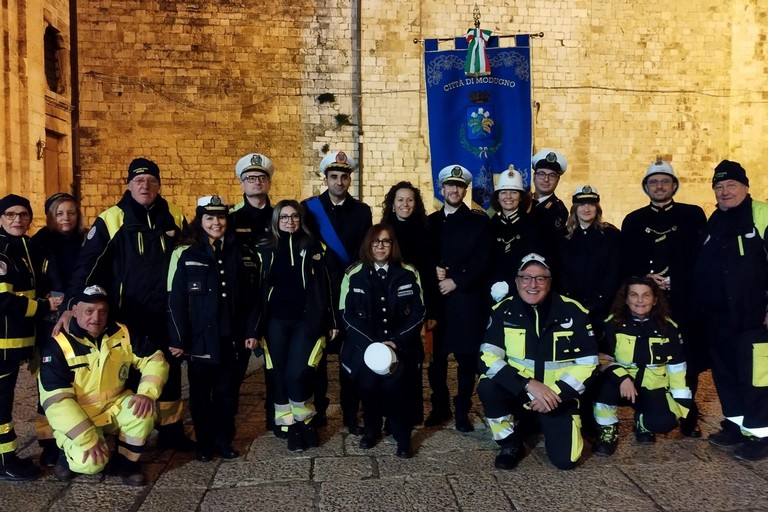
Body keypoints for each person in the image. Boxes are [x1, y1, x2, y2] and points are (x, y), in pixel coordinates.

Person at [59, 158, 194, 451]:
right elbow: (87, 265)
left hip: (166, 312)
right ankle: (131, 430)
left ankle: (171, 430)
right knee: (130, 374)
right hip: (127, 314)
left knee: (169, 370)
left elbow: (188, 260)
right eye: (139, 181)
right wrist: (70, 304)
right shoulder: (112, 219)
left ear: (159, 185)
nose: (145, 186)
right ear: (129, 184)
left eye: (151, 181)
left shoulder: (174, 214)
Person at [477, 253, 598, 470]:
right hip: (520, 391)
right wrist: (528, 384)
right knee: (487, 385)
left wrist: (557, 393)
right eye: (526, 277)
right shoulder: (503, 311)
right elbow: (487, 357)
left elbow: (588, 362)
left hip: (557, 397)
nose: (532, 284)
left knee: (566, 461)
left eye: (540, 278)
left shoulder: (573, 311)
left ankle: (538, 421)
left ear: (549, 283)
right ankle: (509, 442)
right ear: (517, 281)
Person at [39, 285, 168, 485]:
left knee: (144, 411)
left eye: (102, 311)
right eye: (89, 311)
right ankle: (66, 454)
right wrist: (86, 438)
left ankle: (128, 463)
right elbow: (56, 401)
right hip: (79, 414)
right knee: (91, 464)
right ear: (75, 311)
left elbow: (155, 358)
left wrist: (147, 394)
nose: (96, 318)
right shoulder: (58, 344)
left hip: (113, 407)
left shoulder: (122, 332)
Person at [167, 196, 261, 462]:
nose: (216, 222)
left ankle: (223, 439)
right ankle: (204, 443)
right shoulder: (188, 255)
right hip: (200, 340)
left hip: (230, 339)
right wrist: (177, 338)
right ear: (201, 221)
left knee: (227, 393)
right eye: (209, 218)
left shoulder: (241, 254)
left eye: (220, 217)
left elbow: (253, 298)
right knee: (200, 396)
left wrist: (252, 332)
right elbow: (177, 301)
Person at [620, 158, 707, 437]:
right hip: (646, 302)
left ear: (674, 186)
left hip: (682, 299)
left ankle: (687, 414)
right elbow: (626, 262)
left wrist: (676, 280)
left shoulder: (693, 215)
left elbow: (700, 257)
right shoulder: (633, 220)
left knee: (685, 358)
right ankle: (644, 416)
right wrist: (647, 279)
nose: (659, 186)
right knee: (645, 358)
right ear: (646, 187)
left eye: (664, 181)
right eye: (653, 182)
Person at [693, 160, 768, 462]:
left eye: (731, 185)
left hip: (753, 318)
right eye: (719, 186)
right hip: (718, 317)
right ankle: (736, 425)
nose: (725, 192)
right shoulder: (715, 219)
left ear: (745, 187)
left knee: (757, 378)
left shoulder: (761, 214)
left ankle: (762, 435)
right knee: (726, 375)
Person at [339, 224, 425, 458]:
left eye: (385, 241)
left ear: (392, 245)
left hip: (400, 347)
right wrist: (372, 346)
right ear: (368, 245)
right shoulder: (356, 277)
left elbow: (418, 314)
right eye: (375, 242)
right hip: (369, 349)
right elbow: (348, 316)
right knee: (368, 388)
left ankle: (402, 436)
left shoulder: (406, 275)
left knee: (396, 389)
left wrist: (396, 342)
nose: (380, 246)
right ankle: (371, 430)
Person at [256, 200, 336, 452]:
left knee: (298, 372)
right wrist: (254, 328)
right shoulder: (264, 249)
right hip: (275, 322)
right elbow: (256, 292)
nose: (289, 221)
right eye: (284, 217)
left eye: (294, 217)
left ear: (301, 219)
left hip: (306, 321)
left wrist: (332, 320)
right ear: (276, 221)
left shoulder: (316, 247)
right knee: (278, 373)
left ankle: (306, 421)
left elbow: (328, 287)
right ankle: (288, 425)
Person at [303, 150, 372, 433]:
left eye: (344, 176)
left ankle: (350, 413)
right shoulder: (308, 208)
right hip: (319, 290)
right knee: (317, 356)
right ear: (325, 178)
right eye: (334, 177)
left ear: (349, 179)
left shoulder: (362, 211)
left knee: (351, 354)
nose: (339, 181)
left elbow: (364, 250)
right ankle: (317, 409)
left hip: (349, 289)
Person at [592, 277, 693, 456]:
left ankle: (643, 422)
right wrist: (622, 377)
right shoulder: (613, 323)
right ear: (626, 299)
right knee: (602, 389)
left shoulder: (668, 328)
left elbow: (677, 367)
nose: (640, 300)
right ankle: (608, 431)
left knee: (665, 422)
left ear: (655, 300)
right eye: (634, 295)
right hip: (620, 382)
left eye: (646, 295)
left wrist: (681, 405)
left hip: (652, 385)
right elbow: (603, 358)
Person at [425, 164, 492, 432]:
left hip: (466, 300)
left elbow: (484, 259)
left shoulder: (478, 221)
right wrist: (433, 270)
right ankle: (440, 407)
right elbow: (422, 256)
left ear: (465, 190)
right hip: (438, 303)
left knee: (466, 360)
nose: (454, 190)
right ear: (441, 189)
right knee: (437, 360)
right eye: (449, 186)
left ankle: (462, 410)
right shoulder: (429, 222)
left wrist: (457, 280)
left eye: (459, 186)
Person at [0, 194, 62, 481]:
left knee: (6, 400)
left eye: (23, 215)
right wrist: (42, 306)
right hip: (2, 342)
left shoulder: (25, 247)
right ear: (0, 218)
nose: (17, 220)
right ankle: (4, 461)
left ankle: (7, 456)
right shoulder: (1, 251)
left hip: (17, 342)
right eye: (10, 214)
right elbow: (2, 300)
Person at [229, 153, 276, 431]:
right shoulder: (232, 219)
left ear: (269, 182)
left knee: (275, 365)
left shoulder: (280, 215)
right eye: (250, 178)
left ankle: (275, 417)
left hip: (273, 299)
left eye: (261, 177)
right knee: (235, 367)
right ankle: (228, 421)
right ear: (242, 184)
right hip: (243, 303)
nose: (256, 182)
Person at [381, 181, 431, 426]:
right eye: (400, 200)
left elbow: (431, 273)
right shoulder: (384, 232)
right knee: (389, 361)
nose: (405, 204)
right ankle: (389, 415)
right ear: (392, 203)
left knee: (412, 360)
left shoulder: (426, 229)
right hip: (389, 305)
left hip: (414, 305)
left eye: (410, 200)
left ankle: (410, 415)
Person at [557, 186, 621, 336]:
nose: (587, 209)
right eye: (582, 204)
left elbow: (614, 270)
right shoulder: (562, 236)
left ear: (597, 208)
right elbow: (559, 270)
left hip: (603, 305)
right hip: (570, 303)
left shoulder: (611, 235)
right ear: (575, 208)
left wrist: (600, 299)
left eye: (591, 204)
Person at [488, 166, 541, 302]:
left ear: (521, 197)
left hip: (522, 294)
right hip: (491, 293)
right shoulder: (490, 225)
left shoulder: (533, 225)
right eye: (503, 192)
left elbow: (535, 264)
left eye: (514, 192)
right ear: (497, 197)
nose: (508, 197)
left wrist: (511, 286)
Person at [529, 149, 568, 261]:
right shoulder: (523, 202)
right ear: (534, 176)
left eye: (552, 175)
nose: (546, 179)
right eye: (541, 174)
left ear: (558, 180)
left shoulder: (558, 209)